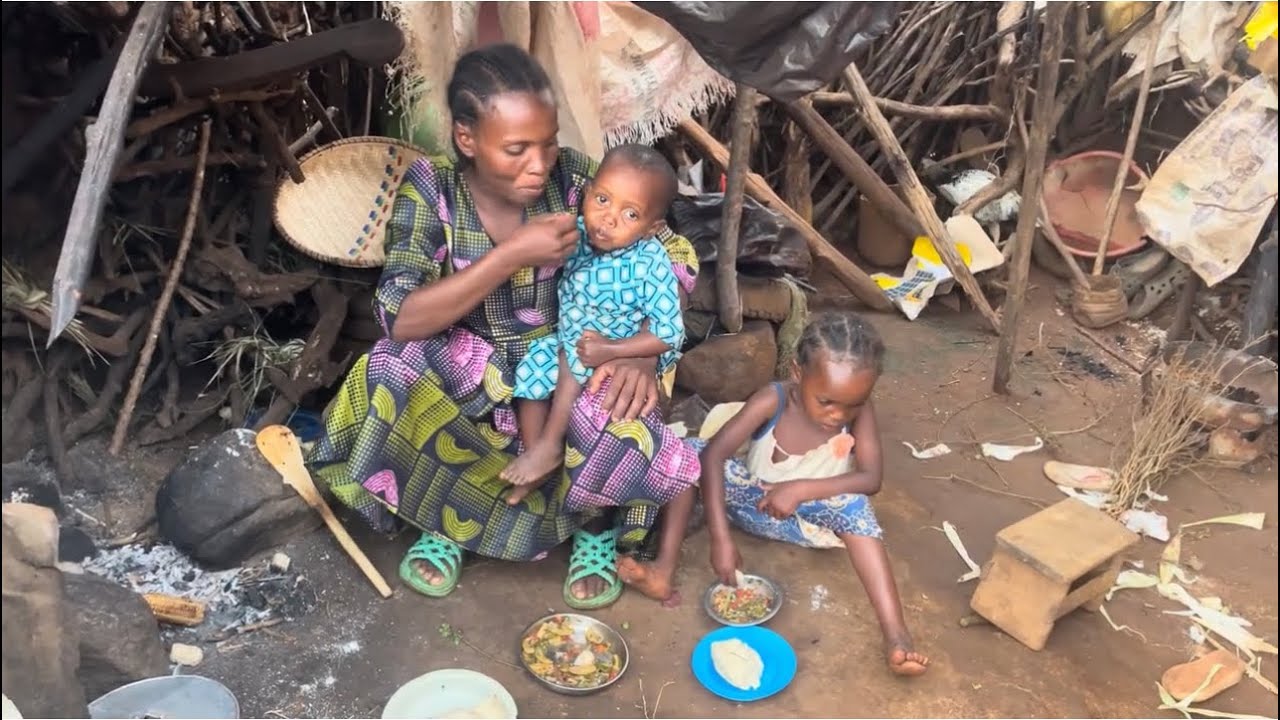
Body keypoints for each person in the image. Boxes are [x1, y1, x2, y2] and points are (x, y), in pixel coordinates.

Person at [306, 43, 701, 611]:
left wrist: (638, 353)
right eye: (516, 149)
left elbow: (676, 252)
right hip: (473, 371)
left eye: (547, 141)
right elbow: (400, 316)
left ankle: (594, 523)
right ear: (467, 139)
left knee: (621, 409)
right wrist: (511, 254)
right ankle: (446, 518)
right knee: (389, 369)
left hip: (572, 365)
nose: (539, 163)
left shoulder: (577, 179)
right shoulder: (432, 189)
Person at [619, 311, 930, 676]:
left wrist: (800, 490)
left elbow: (870, 478)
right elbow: (714, 454)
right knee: (686, 455)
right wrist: (720, 539)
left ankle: (896, 636)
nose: (838, 414)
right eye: (827, 401)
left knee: (857, 509)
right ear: (798, 375)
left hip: (809, 521)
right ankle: (662, 570)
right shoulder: (774, 399)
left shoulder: (859, 414)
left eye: (853, 404)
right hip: (750, 503)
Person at [502, 143, 685, 489]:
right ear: (587, 193)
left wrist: (612, 350)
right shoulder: (577, 235)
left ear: (651, 227)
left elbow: (668, 334)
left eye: (631, 214)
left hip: (621, 354)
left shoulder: (650, 260)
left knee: (574, 358)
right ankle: (535, 452)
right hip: (570, 342)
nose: (609, 218)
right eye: (602, 200)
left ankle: (550, 445)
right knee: (532, 367)